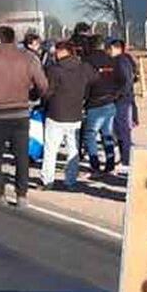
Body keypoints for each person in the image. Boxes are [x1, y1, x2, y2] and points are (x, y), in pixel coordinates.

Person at [0, 25, 48, 208]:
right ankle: (22, 195)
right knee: (21, 155)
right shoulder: (29, 58)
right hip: (21, 113)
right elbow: (43, 83)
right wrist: (33, 97)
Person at [40, 41, 92, 189]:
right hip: (75, 113)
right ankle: (70, 180)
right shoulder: (83, 68)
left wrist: (44, 103)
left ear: (62, 52)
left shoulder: (54, 70)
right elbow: (91, 83)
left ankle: (47, 180)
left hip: (56, 113)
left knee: (51, 149)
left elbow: (47, 91)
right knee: (73, 149)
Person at [81, 34, 122, 175]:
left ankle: (95, 165)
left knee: (90, 135)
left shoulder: (87, 62)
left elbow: (85, 83)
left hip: (94, 103)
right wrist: (115, 94)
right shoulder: (112, 60)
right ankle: (110, 164)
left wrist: (84, 99)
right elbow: (121, 79)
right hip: (110, 101)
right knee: (107, 134)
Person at [107, 39, 138, 172]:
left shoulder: (121, 61)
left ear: (114, 48)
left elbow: (126, 81)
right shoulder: (125, 60)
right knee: (119, 130)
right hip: (124, 98)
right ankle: (124, 157)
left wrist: (117, 94)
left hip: (122, 100)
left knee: (123, 130)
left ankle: (126, 160)